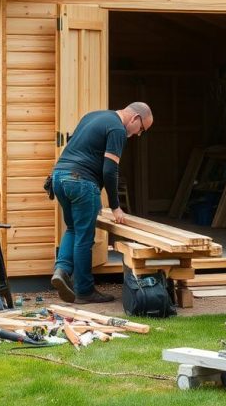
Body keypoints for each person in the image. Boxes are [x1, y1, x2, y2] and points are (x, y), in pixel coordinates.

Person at [50, 102, 153, 304]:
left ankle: (61, 270)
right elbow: (109, 170)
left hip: (58, 178)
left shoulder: (92, 116)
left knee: (72, 229)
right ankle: (84, 291)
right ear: (135, 119)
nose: (139, 134)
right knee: (84, 238)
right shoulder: (117, 129)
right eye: (141, 129)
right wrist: (115, 206)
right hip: (81, 182)